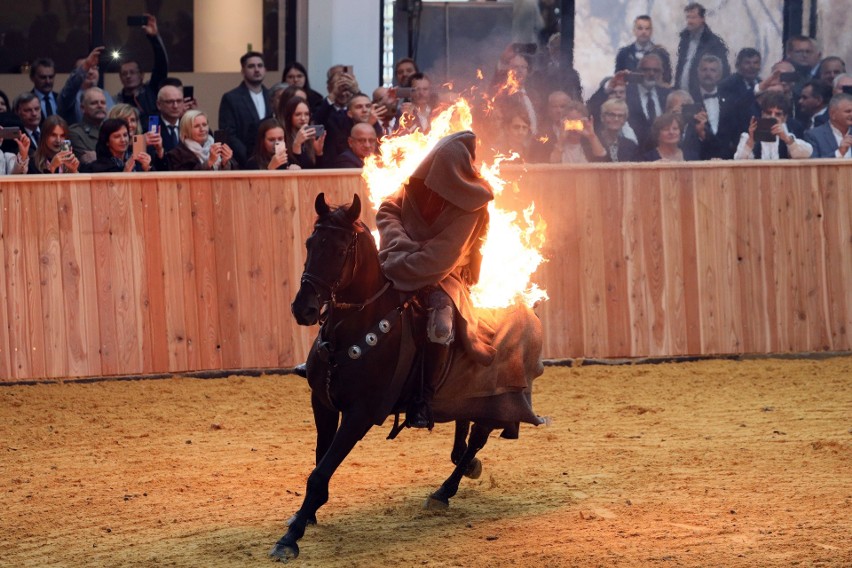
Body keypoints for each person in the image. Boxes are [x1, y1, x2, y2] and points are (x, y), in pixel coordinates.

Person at [376, 130, 496, 428]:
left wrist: (400, 261)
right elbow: (387, 211)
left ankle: (423, 401)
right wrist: (401, 248)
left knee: (440, 326)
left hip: (445, 278)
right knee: (355, 292)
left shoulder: (473, 206)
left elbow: (439, 259)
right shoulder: (415, 186)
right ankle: (327, 364)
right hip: (397, 260)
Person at [218, 51, 273, 168]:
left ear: (265, 70)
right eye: (251, 66)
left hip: (271, 159)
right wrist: (248, 156)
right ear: (243, 71)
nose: (257, 69)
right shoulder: (231, 98)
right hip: (243, 161)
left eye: (260, 65)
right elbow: (229, 133)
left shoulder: (272, 96)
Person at [115, 14, 168, 121]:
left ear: (141, 75)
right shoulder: (117, 101)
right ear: (120, 78)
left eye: (132, 72)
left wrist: (154, 37)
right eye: (124, 73)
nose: (128, 76)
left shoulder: (152, 90)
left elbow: (161, 65)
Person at [674, 3, 730, 99]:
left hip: (702, 97)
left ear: (702, 19)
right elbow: (681, 67)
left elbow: (723, 72)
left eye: (693, 17)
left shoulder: (713, 43)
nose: (690, 21)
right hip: (682, 96)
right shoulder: (684, 40)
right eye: (688, 17)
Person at [734, 92, 813, 160]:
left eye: (778, 114)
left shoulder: (789, 136)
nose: (772, 117)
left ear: (784, 118)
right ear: (762, 114)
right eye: (768, 113)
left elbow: (807, 154)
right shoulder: (748, 136)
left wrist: (786, 139)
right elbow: (738, 161)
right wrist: (751, 140)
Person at [626, 53, 672, 153]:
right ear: (639, 71)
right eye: (646, 69)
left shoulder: (668, 95)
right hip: (634, 154)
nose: (651, 74)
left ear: (661, 73)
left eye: (656, 70)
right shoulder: (626, 93)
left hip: (664, 154)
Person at [57, 46, 115, 125]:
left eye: (94, 67)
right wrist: (86, 65)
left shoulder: (106, 95)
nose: (90, 72)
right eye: (87, 68)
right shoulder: (70, 97)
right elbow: (70, 88)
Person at [166, 109, 235, 171]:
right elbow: (184, 179)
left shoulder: (218, 146)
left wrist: (225, 162)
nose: (202, 129)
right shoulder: (176, 154)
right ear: (186, 131)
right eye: (196, 126)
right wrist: (209, 162)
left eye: (204, 125)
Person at [614, 15, 673, 85]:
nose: (643, 32)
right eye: (640, 28)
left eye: (647, 28)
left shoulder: (661, 54)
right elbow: (618, 80)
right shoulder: (624, 54)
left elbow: (667, 80)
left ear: (651, 31)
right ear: (634, 31)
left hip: (654, 94)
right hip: (630, 94)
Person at [109, 103, 166, 170]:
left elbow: (162, 172)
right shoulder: (108, 146)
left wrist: (159, 150)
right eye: (124, 120)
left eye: (133, 120)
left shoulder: (146, 146)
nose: (130, 124)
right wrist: (139, 143)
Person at [83, 118, 152, 173]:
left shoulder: (138, 158)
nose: (123, 140)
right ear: (107, 141)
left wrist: (146, 169)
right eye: (117, 136)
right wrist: (125, 171)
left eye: (125, 135)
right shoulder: (99, 167)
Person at [281, 96, 325, 170]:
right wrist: (297, 145)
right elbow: (293, 170)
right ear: (289, 116)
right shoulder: (282, 138)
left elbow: (318, 171)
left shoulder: (311, 138)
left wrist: (319, 153)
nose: (303, 118)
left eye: (307, 114)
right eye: (298, 114)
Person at [803, 93, 852, 158]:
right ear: (832, 114)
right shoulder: (813, 136)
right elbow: (814, 165)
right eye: (848, 111)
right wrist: (839, 152)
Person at [67, 87, 108, 164]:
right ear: (82, 108)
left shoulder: (112, 130)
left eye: (103, 102)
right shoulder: (75, 133)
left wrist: (98, 155)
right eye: (94, 103)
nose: (100, 106)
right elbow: (87, 162)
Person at [155, 85, 186, 153]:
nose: (175, 106)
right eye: (170, 102)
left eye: (179, 101)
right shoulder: (151, 127)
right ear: (159, 104)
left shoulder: (189, 125)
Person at [14, 93, 43, 157]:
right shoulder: (16, 138)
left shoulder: (49, 131)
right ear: (17, 112)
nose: (34, 114)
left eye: (37, 109)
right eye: (28, 110)